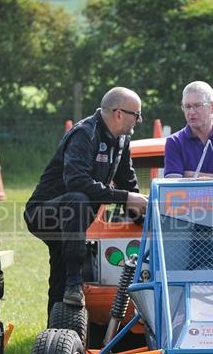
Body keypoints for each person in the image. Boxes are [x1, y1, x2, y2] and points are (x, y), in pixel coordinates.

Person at [24, 87, 149, 316]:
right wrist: (125, 197)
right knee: (79, 199)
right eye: (136, 114)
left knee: (59, 273)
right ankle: (75, 283)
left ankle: (58, 332)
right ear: (119, 113)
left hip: (74, 218)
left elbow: (128, 184)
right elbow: (77, 182)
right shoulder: (84, 133)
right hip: (43, 213)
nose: (139, 121)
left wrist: (146, 216)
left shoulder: (123, 141)